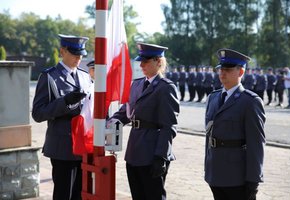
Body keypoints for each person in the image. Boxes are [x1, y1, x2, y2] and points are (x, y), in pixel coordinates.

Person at [108, 42, 180, 200]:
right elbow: (126, 112)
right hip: (134, 150)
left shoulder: (165, 88)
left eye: (146, 61)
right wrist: (108, 122)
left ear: (158, 62)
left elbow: (169, 126)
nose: (141, 65)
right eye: (141, 61)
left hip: (152, 152)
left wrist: (161, 156)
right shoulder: (137, 84)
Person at [32, 34, 93, 200]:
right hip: (63, 145)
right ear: (62, 51)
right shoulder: (50, 76)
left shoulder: (85, 76)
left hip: (84, 144)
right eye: (74, 53)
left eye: (81, 54)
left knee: (81, 194)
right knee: (63, 194)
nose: (79, 58)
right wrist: (65, 102)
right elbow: (38, 113)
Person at [204, 48, 266, 200]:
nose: (222, 73)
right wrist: (208, 167)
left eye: (228, 69)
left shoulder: (250, 102)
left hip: (236, 177)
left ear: (241, 72)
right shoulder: (213, 98)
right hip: (215, 172)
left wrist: (254, 180)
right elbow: (209, 135)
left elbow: (256, 144)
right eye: (220, 69)